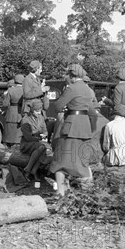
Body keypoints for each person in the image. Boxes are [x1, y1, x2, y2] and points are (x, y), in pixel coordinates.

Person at [48, 64, 96, 196]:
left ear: (71, 75)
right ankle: (88, 191)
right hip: (84, 125)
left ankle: (61, 191)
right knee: (82, 158)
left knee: (61, 160)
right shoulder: (87, 89)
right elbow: (92, 111)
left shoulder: (71, 88)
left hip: (71, 125)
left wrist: (65, 109)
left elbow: (58, 106)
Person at [19, 100, 48, 180]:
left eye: (40, 111)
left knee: (43, 148)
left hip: (38, 142)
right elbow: (28, 137)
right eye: (36, 111)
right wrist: (39, 138)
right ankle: (29, 170)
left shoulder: (41, 118)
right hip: (27, 144)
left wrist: (45, 135)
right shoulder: (25, 120)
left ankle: (32, 171)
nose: (39, 113)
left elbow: (45, 130)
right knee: (42, 147)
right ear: (32, 111)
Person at [3, 75, 24, 145]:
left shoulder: (10, 90)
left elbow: (5, 104)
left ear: (15, 81)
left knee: (10, 129)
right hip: (21, 111)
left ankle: (9, 144)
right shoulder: (25, 90)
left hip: (11, 111)